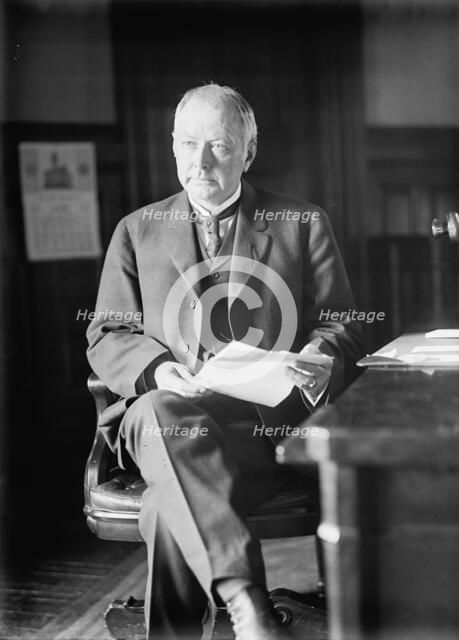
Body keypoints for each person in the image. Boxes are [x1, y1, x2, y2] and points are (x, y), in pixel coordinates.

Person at [87, 83, 363, 640]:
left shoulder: (301, 222)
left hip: (258, 431)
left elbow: (342, 325)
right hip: (159, 420)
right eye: (188, 144)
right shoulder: (136, 231)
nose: (201, 160)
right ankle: (248, 608)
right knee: (165, 411)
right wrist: (161, 371)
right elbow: (107, 333)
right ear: (172, 147)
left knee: (169, 507)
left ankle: (231, 610)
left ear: (248, 150)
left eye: (218, 145)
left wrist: (318, 355)